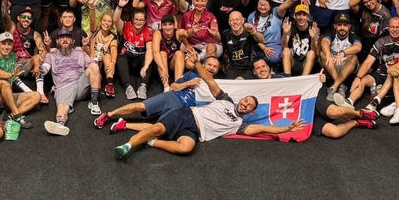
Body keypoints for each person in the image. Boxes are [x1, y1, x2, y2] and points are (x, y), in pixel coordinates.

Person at [111, 52, 302, 159]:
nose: (245, 104)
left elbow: (265, 129)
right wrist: (197, 65)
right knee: (158, 128)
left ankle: (150, 141)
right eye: (246, 100)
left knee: (185, 148)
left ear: (251, 112)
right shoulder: (226, 100)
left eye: (249, 105)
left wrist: (287, 128)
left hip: (195, 131)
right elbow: (209, 80)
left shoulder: (240, 125)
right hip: (187, 115)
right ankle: (128, 146)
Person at [40, 28, 101, 135]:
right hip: (64, 86)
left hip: (81, 84)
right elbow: (45, 68)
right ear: (57, 41)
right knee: (62, 107)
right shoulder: (51, 55)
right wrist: (39, 67)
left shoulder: (80, 53)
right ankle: (60, 125)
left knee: (93, 66)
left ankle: (94, 102)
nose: (64, 40)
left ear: (72, 41)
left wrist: (97, 58)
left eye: (67, 37)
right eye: (61, 38)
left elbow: (94, 67)